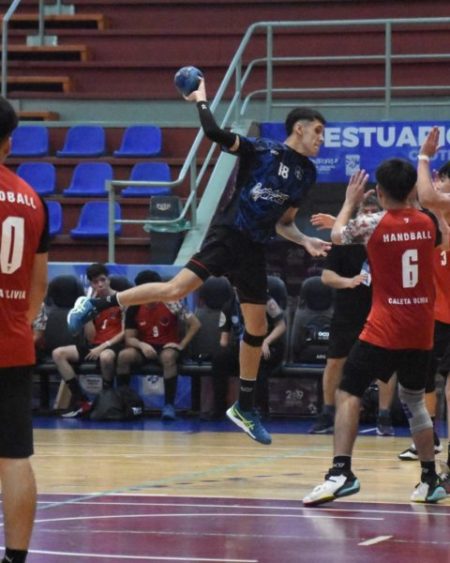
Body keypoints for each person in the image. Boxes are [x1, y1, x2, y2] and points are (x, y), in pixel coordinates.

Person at [67, 75, 331, 445]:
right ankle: (98, 303)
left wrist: (305, 241)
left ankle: (245, 406)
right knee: (177, 287)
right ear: (299, 129)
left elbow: (285, 223)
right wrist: (201, 99)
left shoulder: (307, 173)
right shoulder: (262, 150)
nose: (322, 138)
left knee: (255, 330)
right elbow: (214, 133)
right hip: (228, 234)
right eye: (317, 131)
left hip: (254, 247)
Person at [303, 156, 447, 507]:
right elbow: (440, 242)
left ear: (379, 192)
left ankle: (341, 472)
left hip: (385, 325)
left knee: (349, 390)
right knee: (414, 400)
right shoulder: (431, 222)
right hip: (421, 328)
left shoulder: (372, 223)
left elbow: (337, 235)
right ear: (412, 189)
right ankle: (430, 479)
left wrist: (350, 200)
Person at [0, 97, 49, 562]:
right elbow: (38, 289)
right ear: (9, 142)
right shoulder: (33, 199)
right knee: (14, 456)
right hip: (12, 342)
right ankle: (15, 558)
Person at [308, 196, 396, 436]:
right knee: (335, 361)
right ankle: (327, 413)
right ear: (358, 214)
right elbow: (326, 276)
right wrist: (348, 281)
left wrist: (338, 221)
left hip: (380, 309)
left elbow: (370, 241)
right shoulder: (342, 241)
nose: (368, 214)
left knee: (385, 366)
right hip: (348, 311)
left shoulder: (388, 237)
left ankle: (384, 417)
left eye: (373, 211)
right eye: (364, 210)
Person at [116, 269, 201, 421]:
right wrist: (142, 345)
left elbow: (195, 324)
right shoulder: (134, 306)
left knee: (168, 357)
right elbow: (129, 338)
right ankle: (124, 402)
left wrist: (181, 345)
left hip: (168, 346)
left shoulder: (171, 303)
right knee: (124, 356)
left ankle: (169, 405)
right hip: (145, 347)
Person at [53, 263, 125, 418]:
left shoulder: (121, 299)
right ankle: (81, 401)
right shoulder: (90, 303)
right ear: (91, 284)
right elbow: (91, 337)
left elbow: (125, 332)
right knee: (58, 354)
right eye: (95, 282)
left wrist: (104, 346)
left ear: (108, 280)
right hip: (94, 345)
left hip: (114, 345)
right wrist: (88, 311)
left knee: (106, 356)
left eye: (102, 280)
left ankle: (106, 400)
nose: (100, 284)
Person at [210, 287, 286, 419]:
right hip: (242, 347)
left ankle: (261, 409)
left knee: (257, 359)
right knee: (219, 359)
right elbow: (224, 340)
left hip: (267, 346)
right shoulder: (229, 306)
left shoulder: (265, 300)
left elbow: (281, 326)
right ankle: (219, 408)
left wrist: (266, 341)